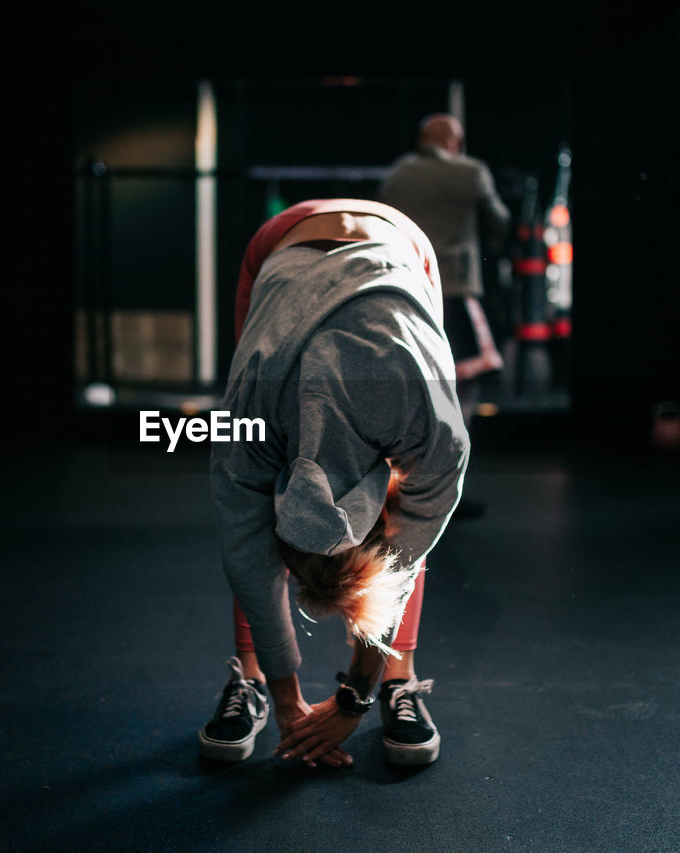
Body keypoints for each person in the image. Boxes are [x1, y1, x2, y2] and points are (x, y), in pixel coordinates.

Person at [199, 199, 470, 769]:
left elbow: (399, 556)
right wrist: (284, 696)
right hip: (281, 247)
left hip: (397, 246)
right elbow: (247, 551)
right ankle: (248, 679)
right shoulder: (249, 423)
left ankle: (400, 676)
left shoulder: (427, 423)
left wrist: (356, 697)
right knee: (248, 515)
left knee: (404, 544)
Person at [379, 114, 510, 518]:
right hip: (454, 291)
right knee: (462, 392)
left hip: (406, 294)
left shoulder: (397, 175)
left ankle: (403, 488)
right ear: (456, 142)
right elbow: (500, 223)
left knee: (410, 395)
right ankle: (448, 487)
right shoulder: (471, 172)